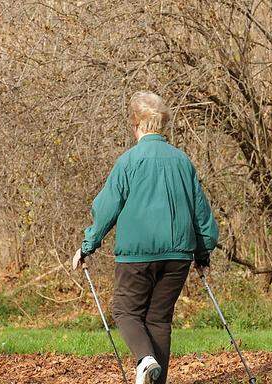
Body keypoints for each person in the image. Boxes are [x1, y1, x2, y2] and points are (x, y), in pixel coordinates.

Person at [72, 91, 219, 384]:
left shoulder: (129, 161)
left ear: (135, 124)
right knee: (159, 320)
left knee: (124, 311)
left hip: (136, 257)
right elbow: (202, 216)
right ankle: (155, 378)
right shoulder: (182, 162)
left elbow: (105, 209)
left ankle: (144, 360)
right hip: (178, 256)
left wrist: (87, 245)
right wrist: (202, 256)